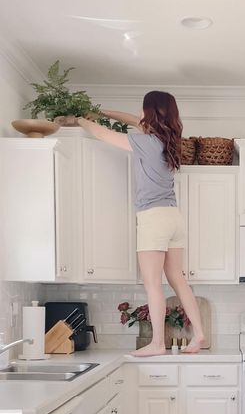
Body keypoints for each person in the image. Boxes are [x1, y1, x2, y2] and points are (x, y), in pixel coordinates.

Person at [77, 91, 205, 356]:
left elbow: (102, 135)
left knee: (152, 284)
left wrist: (79, 120)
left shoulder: (144, 141)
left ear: (150, 111)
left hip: (153, 218)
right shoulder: (167, 138)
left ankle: (157, 343)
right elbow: (133, 120)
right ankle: (199, 335)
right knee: (178, 280)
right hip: (173, 217)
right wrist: (102, 112)